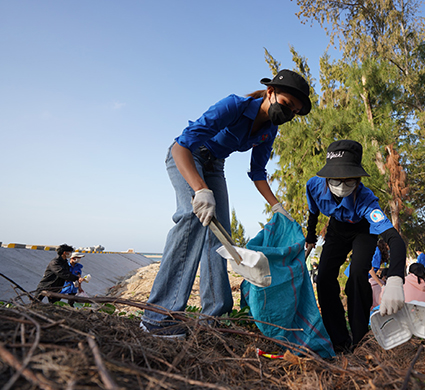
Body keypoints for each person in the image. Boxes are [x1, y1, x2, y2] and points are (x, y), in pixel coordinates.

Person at [141, 69, 312, 338]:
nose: (288, 114)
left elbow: (257, 172)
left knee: (221, 239)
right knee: (192, 218)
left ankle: (214, 315)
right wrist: (200, 189)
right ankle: (159, 315)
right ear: (270, 92)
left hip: (214, 165)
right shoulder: (234, 105)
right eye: (287, 105)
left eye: (294, 112)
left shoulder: (270, 130)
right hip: (188, 155)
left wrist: (277, 206)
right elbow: (181, 146)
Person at [305, 140, 407, 353]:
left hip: (362, 230)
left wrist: (396, 278)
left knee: (358, 274)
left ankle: (360, 339)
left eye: (349, 180)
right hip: (336, 230)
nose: (342, 185)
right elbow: (313, 213)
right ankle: (338, 339)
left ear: (358, 179)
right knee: (324, 277)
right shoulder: (314, 186)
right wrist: (310, 237)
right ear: (326, 177)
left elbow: (394, 239)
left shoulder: (366, 200)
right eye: (336, 179)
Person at [369, 239, 388, 310]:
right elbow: (371, 270)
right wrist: (381, 285)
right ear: (386, 244)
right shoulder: (377, 252)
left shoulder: (376, 250)